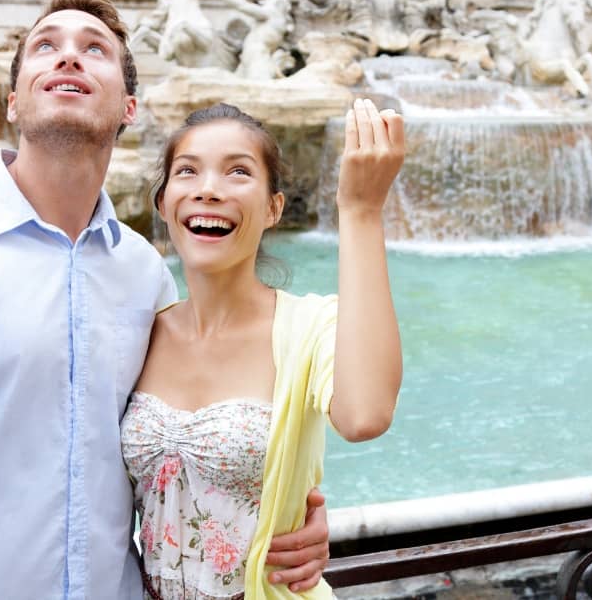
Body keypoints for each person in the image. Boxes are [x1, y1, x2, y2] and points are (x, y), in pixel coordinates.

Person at [0, 0, 331, 599]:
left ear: (129, 106)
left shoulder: (146, 273)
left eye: (94, 49)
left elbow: (175, 458)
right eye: (45, 47)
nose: (69, 57)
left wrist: (288, 520)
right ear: (13, 102)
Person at [122, 99, 404, 600]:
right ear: (164, 204)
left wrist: (360, 211)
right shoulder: (138, 331)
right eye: (188, 171)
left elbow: (365, 416)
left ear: (273, 208)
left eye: (238, 172)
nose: (208, 189)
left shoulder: (312, 325)